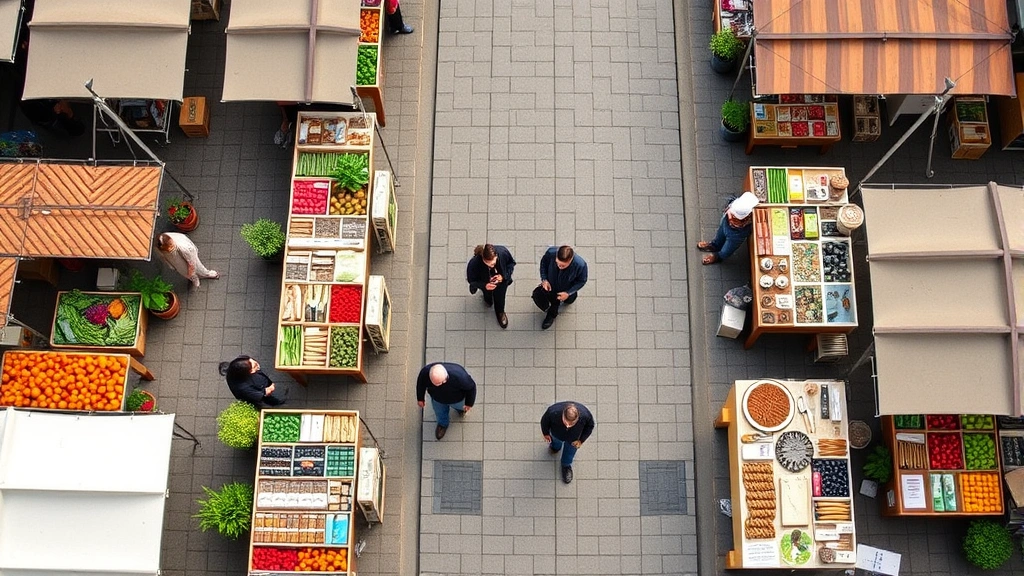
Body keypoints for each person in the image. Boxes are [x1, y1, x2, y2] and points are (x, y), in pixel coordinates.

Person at [416, 362, 477, 440]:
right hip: (437, 399)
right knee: (440, 413)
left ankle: (460, 410)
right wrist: (420, 398)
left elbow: (471, 388)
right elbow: (421, 384)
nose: (441, 384)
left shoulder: (459, 376)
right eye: (437, 383)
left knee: (461, 407)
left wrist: (469, 403)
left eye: (443, 381)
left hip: (457, 399)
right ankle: (442, 424)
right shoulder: (425, 373)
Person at [697, 191, 759, 265]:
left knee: (726, 250)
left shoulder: (746, 214)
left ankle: (718, 257)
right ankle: (714, 246)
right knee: (720, 236)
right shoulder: (739, 207)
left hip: (737, 234)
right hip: (726, 223)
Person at [540, 401, 595, 484]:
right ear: (563, 415)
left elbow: (590, 426)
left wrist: (581, 440)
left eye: (572, 423)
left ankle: (566, 465)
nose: (568, 425)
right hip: (556, 434)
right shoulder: (553, 411)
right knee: (555, 442)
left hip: (574, 440)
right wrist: (546, 433)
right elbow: (544, 422)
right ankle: (555, 447)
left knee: (570, 453)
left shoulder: (585, 415)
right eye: (566, 422)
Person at [536, 245, 588, 330]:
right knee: (554, 303)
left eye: (563, 266)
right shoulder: (550, 253)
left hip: (567, 289)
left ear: (570, 260)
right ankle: (551, 315)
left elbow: (581, 281)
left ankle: (568, 299)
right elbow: (544, 264)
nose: (559, 267)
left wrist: (568, 293)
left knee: (570, 300)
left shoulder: (580, 265)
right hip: (552, 287)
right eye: (557, 263)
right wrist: (544, 279)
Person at [466, 243, 516, 329]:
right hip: (485, 283)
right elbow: (472, 281)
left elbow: (511, 264)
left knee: (500, 298)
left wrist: (503, 276)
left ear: (496, 256)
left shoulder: (502, 252)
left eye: (493, 263)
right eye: (488, 264)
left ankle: (500, 312)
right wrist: (484, 285)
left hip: (501, 284)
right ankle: (488, 300)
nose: (492, 266)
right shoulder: (474, 263)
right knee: (487, 295)